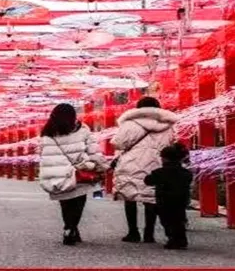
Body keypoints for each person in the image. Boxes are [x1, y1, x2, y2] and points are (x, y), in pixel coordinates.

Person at [111, 96, 178, 243]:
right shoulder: (167, 124)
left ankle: (133, 232)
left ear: (138, 108)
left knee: (130, 197)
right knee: (151, 198)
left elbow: (118, 143)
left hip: (131, 163)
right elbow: (172, 143)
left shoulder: (129, 123)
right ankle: (149, 233)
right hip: (156, 162)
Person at [38, 103, 107, 246]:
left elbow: (44, 156)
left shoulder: (48, 132)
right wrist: (101, 167)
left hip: (60, 173)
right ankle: (71, 227)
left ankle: (70, 228)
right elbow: (93, 151)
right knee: (79, 202)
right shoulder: (82, 129)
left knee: (65, 202)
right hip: (80, 171)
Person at [144, 143, 193, 250]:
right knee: (179, 220)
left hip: (164, 201)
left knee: (167, 221)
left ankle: (173, 239)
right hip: (181, 200)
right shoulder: (186, 173)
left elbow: (148, 181)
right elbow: (189, 181)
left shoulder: (159, 172)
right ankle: (181, 239)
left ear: (164, 159)